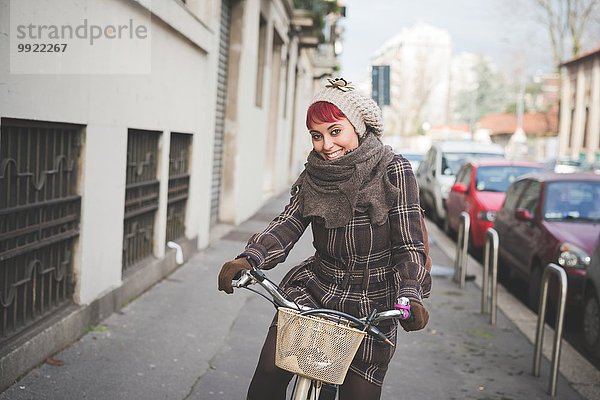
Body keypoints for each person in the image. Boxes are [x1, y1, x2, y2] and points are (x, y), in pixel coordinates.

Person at [218, 77, 432, 400]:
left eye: (335, 132)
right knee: (267, 374)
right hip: (318, 289)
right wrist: (250, 257)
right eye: (317, 136)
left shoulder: (393, 169)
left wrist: (410, 293)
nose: (326, 145)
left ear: (357, 128)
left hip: (372, 304)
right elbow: (288, 223)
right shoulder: (314, 172)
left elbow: (409, 246)